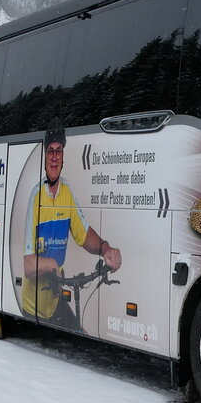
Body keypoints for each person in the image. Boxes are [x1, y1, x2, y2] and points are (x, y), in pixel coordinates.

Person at [21, 119, 122, 323]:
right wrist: (52, 265)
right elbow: (29, 266)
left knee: (77, 330)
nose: (54, 156)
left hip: (54, 302)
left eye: (59, 151)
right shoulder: (36, 196)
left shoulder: (67, 192)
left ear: (63, 157)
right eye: (50, 151)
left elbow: (84, 235)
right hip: (33, 309)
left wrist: (105, 249)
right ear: (45, 156)